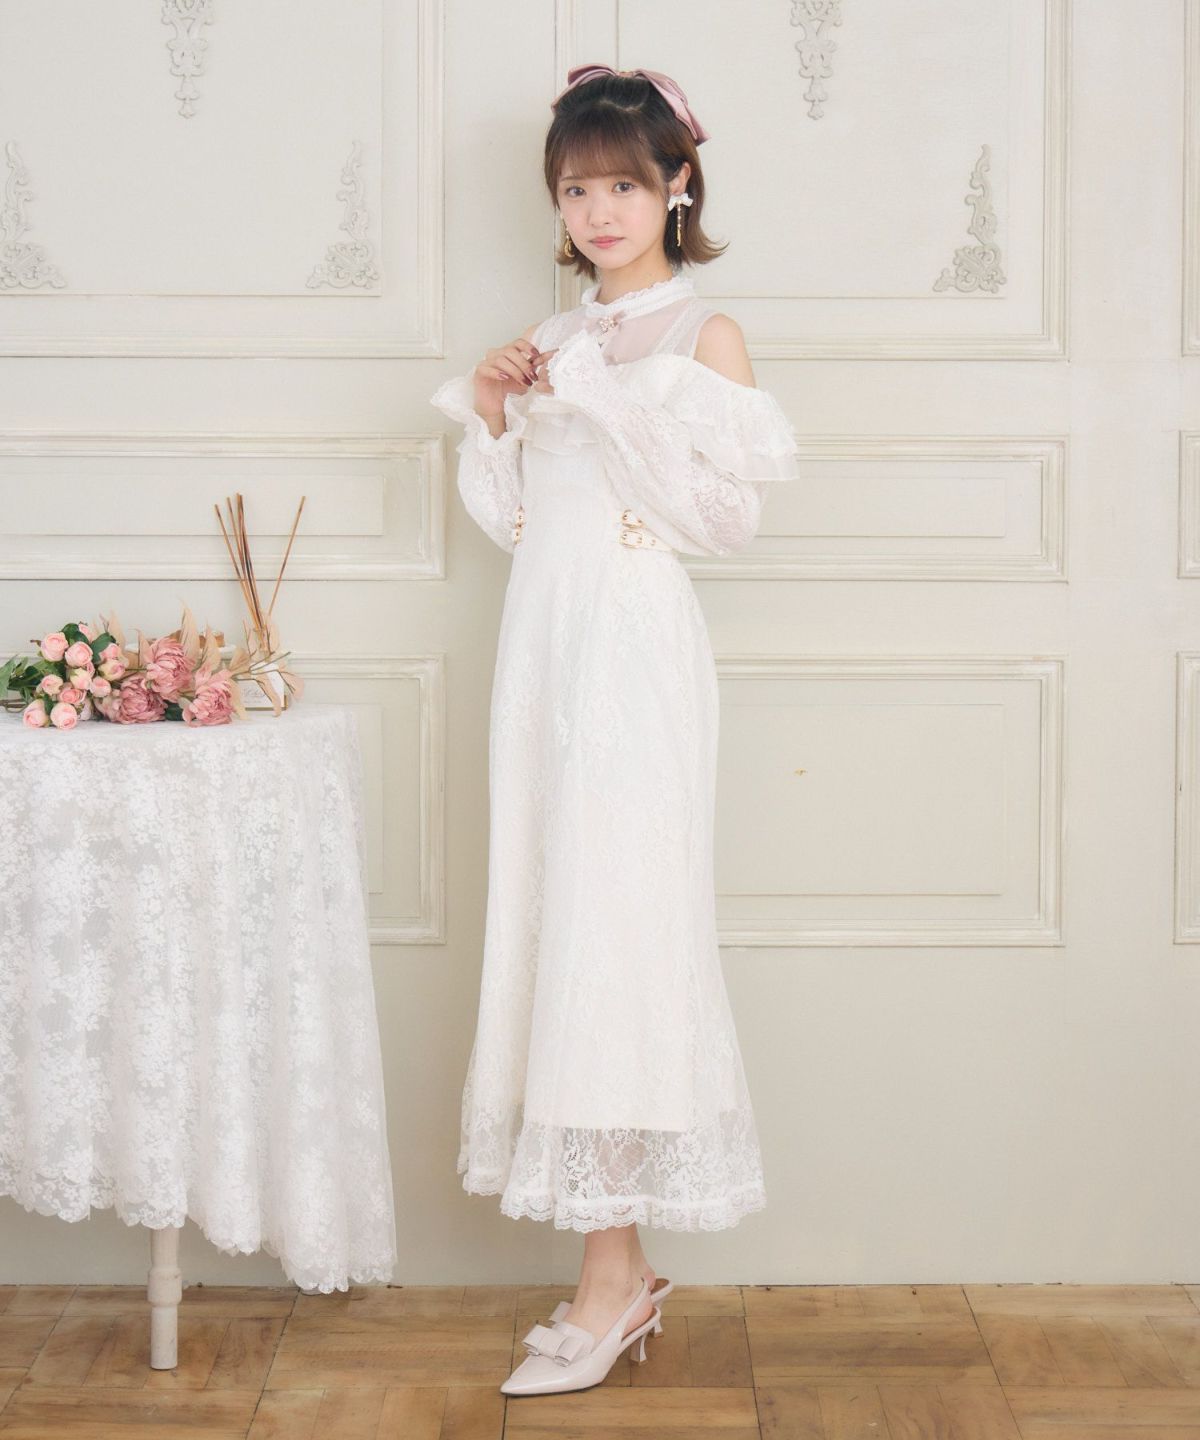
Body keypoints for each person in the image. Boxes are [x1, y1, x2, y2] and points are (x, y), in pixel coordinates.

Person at [430, 64, 799, 1397]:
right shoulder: (555, 336)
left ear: (677, 187)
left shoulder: (705, 334)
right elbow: (526, 524)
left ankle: (608, 1281)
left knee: (620, 933)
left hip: (636, 653)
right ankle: (617, 1271)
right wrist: (497, 416)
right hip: (544, 646)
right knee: (557, 925)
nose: (599, 210)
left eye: (625, 185)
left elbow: (727, 522)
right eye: (577, 187)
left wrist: (604, 409)